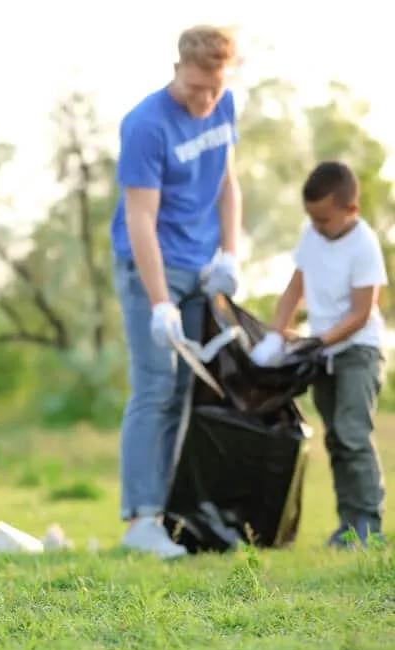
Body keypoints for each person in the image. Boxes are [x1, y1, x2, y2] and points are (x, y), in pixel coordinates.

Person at [110, 25, 242, 558]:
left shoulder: (224, 106)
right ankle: (141, 520)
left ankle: (173, 513)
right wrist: (160, 300)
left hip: (202, 268)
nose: (205, 100)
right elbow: (141, 219)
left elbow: (228, 183)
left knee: (192, 392)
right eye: (195, 90)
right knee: (155, 389)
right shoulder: (146, 126)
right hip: (150, 270)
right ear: (177, 71)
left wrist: (231, 254)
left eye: (213, 89)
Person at [250, 162, 387, 548]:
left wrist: (318, 340)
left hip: (358, 350)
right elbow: (294, 291)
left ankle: (367, 526)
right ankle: (349, 525)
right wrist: (277, 336)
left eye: (324, 219)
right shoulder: (312, 237)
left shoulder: (363, 245)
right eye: (311, 218)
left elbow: (361, 313)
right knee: (335, 440)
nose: (316, 226)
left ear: (350, 211)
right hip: (323, 353)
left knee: (352, 434)